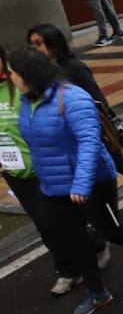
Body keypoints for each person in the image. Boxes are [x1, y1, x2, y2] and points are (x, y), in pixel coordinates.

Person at [11, 47, 123, 314]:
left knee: (111, 232)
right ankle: (97, 292)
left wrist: (81, 184)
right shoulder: (28, 101)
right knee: (71, 237)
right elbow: (36, 144)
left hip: (92, 182)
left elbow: (89, 143)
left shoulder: (73, 98)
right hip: (52, 184)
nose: (11, 77)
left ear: (28, 74)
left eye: (14, 72)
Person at [0, 44, 104, 296]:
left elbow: (78, 133)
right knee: (45, 225)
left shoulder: (24, 85)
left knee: (62, 223)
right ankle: (68, 270)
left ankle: (95, 250)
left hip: (46, 169)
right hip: (15, 171)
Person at [26, 24, 123, 212]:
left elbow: (96, 99)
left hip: (91, 127)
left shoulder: (73, 68)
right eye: (31, 44)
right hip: (68, 130)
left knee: (116, 162)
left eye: (39, 43)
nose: (35, 49)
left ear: (53, 43)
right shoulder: (45, 72)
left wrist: (98, 128)